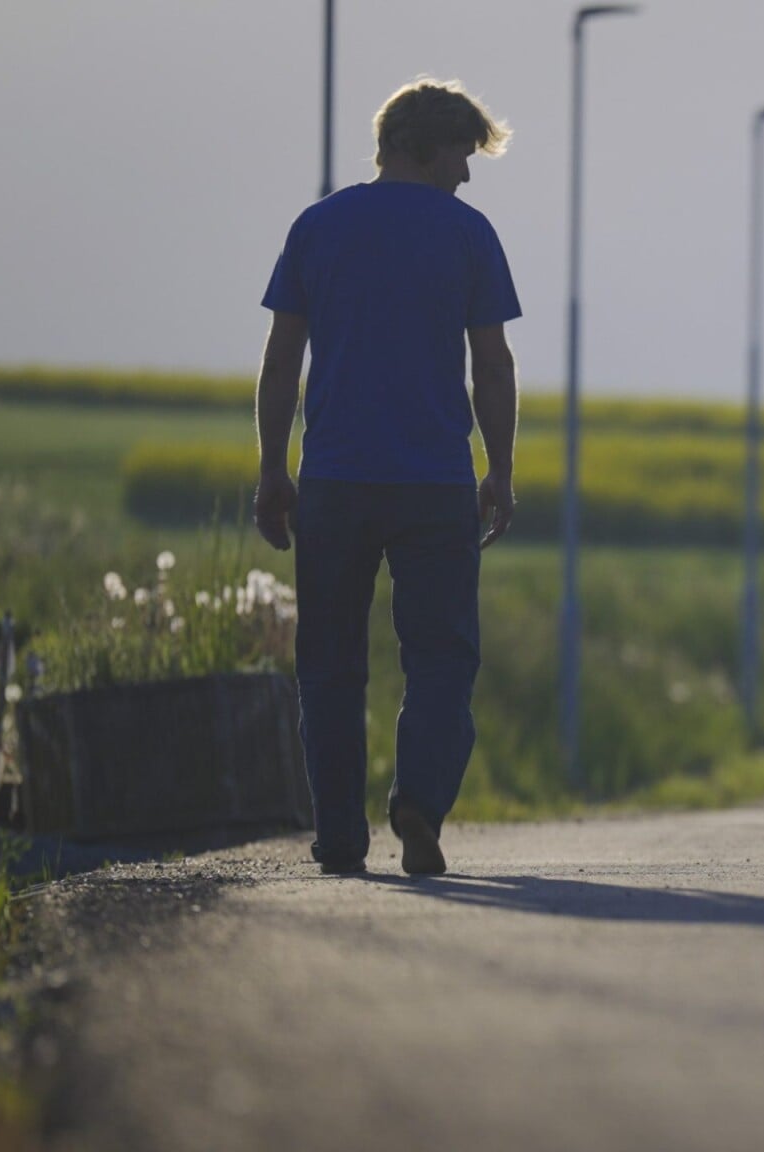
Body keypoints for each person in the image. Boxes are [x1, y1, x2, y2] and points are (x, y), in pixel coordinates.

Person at [253, 79, 521, 876]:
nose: (467, 174)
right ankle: (419, 804)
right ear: (425, 146)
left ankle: (340, 836)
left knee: (329, 665)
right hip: (435, 484)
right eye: (463, 156)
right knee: (441, 657)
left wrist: (272, 468)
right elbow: (492, 366)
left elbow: (281, 362)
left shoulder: (318, 226)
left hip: (334, 481)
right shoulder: (468, 234)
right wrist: (501, 470)